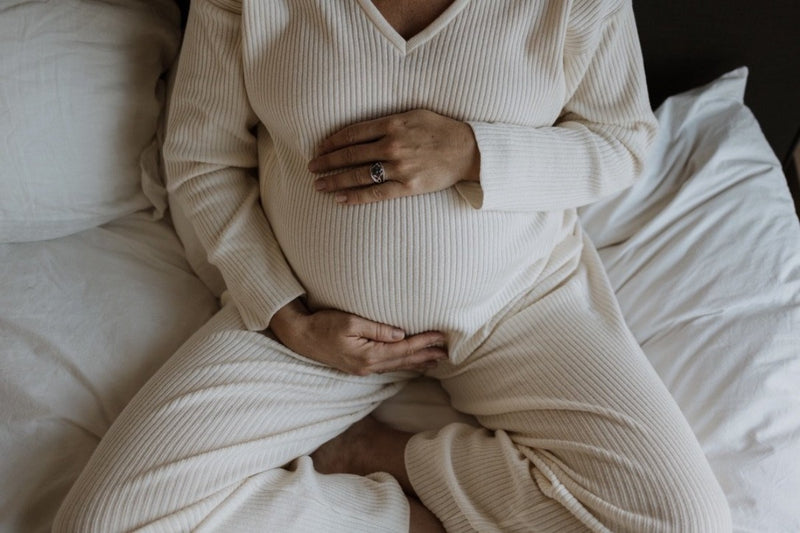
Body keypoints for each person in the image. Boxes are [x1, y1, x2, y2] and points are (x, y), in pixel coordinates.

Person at [54, 0, 732, 531]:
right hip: (314, 331)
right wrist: (286, 315)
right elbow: (202, 160)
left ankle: (378, 454)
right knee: (101, 520)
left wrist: (472, 152)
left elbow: (622, 143)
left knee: (685, 520)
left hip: (517, 309)